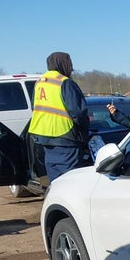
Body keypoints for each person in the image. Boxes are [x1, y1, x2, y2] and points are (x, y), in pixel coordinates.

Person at [28, 52, 89, 183]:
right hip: (65, 139)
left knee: (56, 182)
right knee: (71, 182)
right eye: (70, 64)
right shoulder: (65, 83)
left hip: (45, 140)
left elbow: (35, 108)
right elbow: (79, 112)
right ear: (62, 64)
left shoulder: (39, 83)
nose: (71, 69)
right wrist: (84, 133)